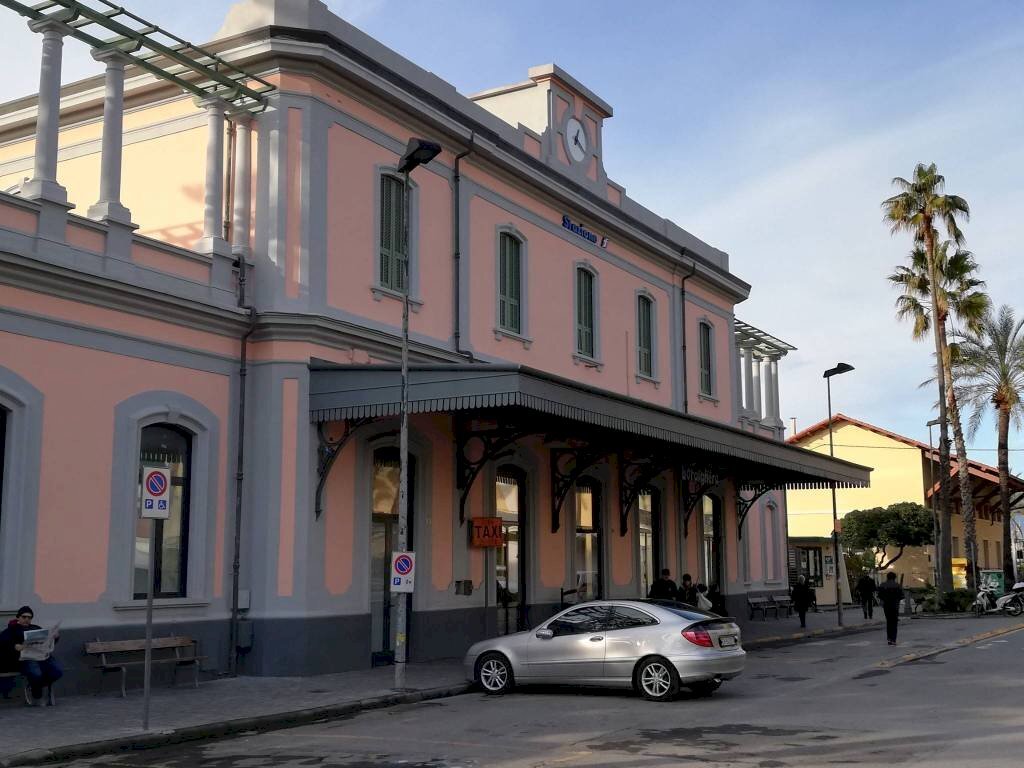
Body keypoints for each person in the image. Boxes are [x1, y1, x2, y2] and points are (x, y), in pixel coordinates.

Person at [0, 605, 62, 705]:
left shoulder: (36, 628)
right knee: (36, 673)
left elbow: (46, 641)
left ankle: (35, 686)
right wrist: (15, 646)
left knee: (57, 671)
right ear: (18, 617)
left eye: (29, 617)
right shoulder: (10, 630)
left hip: (42, 657)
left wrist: (55, 637)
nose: (26, 619)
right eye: (24, 617)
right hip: (25, 658)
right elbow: (3, 643)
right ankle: (37, 695)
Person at [877, 572, 905, 645]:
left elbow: (879, 595)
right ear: (895, 577)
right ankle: (893, 639)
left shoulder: (882, 585)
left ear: (887, 577)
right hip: (895, 605)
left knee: (889, 621)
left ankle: (889, 638)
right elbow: (902, 596)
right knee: (894, 622)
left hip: (886, 605)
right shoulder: (897, 585)